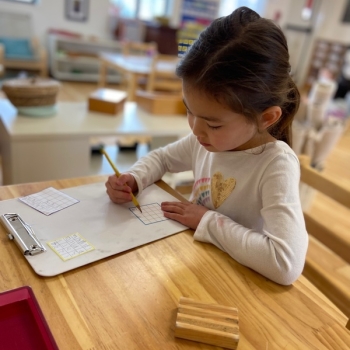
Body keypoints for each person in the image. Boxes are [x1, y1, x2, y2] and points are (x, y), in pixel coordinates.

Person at [105, 7, 308, 285]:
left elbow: (285, 263)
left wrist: (206, 220)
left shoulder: (275, 165)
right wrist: (135, 178)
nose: (196, 130)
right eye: (189, 110)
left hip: (238, 285)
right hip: (195, 264)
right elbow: (162, 159)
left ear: (266, 118)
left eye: (213, 124)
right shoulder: (205, 140)